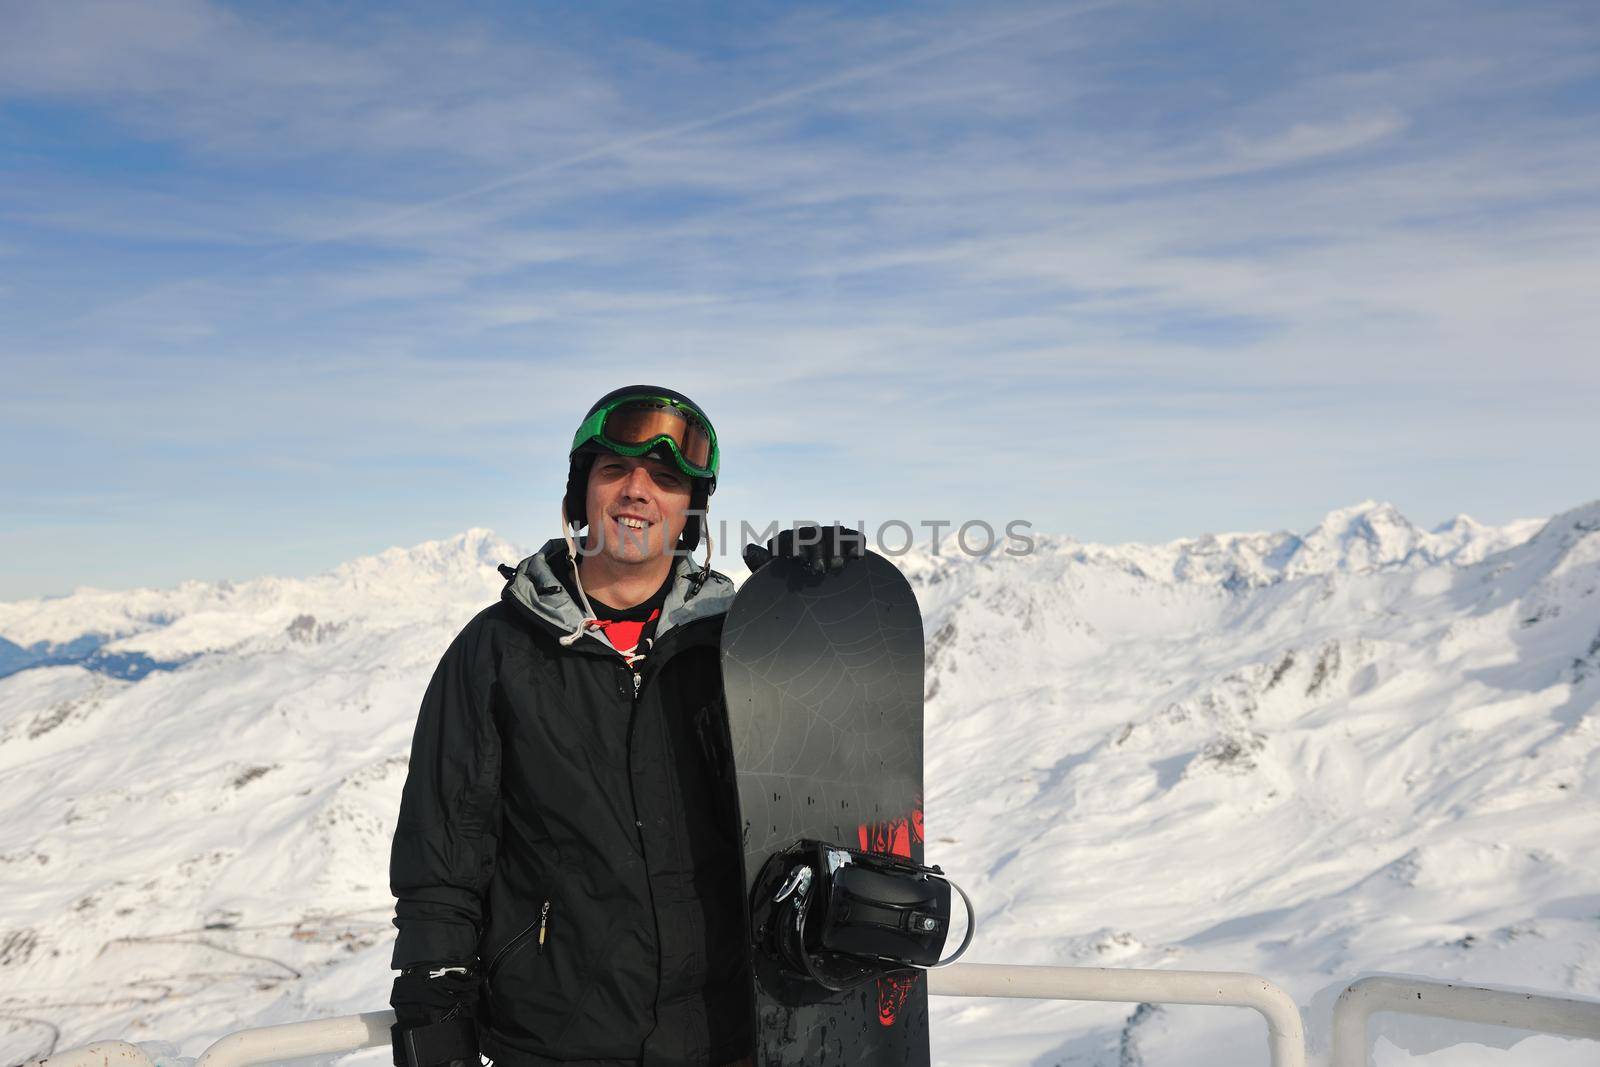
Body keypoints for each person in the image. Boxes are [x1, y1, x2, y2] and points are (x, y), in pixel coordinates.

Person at [387, 385, 753, 1067]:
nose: (637, 491)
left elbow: (803, 812)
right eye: (614, 469)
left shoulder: (737, 651)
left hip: (726, 1037)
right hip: (554, 1043)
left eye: (667, 479)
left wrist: (816, 618)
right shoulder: (497, 651)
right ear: (582, 493)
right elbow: (444, 858)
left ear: (691, 514)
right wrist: (433, 1012)